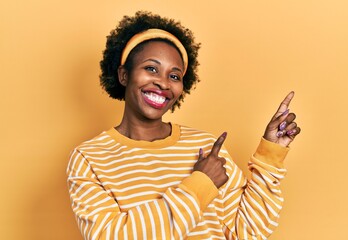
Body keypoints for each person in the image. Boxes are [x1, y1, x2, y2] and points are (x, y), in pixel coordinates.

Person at [67, 11, 301, 240]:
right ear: (124, 75)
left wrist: (270, 154)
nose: (162, 82)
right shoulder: (90, 158)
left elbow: (248, 232)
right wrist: (201, 183)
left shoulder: (207, 147)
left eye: (175, 76)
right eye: (151, 68)